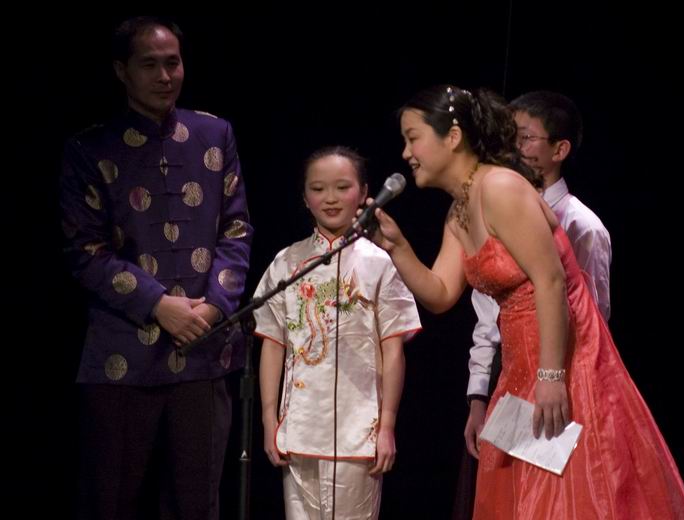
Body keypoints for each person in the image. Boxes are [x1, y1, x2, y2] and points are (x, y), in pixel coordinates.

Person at [370, 84, 684, 518]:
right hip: (521, 366)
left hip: (566, 360)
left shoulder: (500, 187)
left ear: (452, 137)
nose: (406, 153)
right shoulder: (460, 210)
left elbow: (551, 281)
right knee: (521, 495)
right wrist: (398, 248)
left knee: (570, 495)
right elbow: (442, 294)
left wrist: (552, 376)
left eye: (413, 138)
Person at [60, 17, 252, 520]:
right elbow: (84, 249)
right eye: (150, 65)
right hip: (123, 352)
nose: (165, 76)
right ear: (122, 70)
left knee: (197, 503)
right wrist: (158, 305)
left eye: (173, 63)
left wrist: (213, 309)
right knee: (111, 501)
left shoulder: (215, 133)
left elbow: (235, 230)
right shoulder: (88, 149)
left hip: (204, 348)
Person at [254, 146, 421, 519]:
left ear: (364, 193)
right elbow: (274, 344)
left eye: (342, 187)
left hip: (358, 431)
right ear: (304, 197)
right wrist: (269, 421)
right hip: (298, 429)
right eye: (318, 189)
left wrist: (387, 426)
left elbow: (393, 350)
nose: (330, 198)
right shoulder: (287, 262)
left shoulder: (379, 263)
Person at [463, 90, 612, 460]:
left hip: (560, 380)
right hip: (507, 372)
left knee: (550, 484)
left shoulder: (581, 225)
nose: (514, 147)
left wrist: (557, 380)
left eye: (526, 137)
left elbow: (593, 321)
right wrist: (478, 394)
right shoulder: (494, 210)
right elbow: (487, 314)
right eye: (510, 136)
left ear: (559, 150)